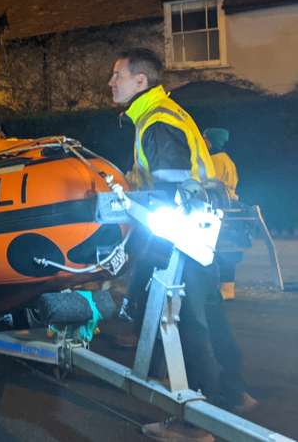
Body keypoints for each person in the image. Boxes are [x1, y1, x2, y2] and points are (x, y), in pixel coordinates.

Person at [108, 48, 256, 442]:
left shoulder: (156, 121)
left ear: (141, 81)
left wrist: (136, 231)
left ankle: (196, 421)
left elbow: (167, 189)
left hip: (179, 232)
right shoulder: (166, 114)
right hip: (199, 227)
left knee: (185, 322)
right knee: (207, 309)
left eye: (118, 75)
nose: (111, 82)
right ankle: (232, 391)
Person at [204, 128, 241, 300]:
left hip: (219, 207)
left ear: (211, 141)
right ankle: (227, 289)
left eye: (205, 139)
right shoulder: (227, 159)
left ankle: (224, 290)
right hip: (228, 206)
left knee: (218, 248)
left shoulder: (215, 160)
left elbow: (209, 184)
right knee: (225, 248)